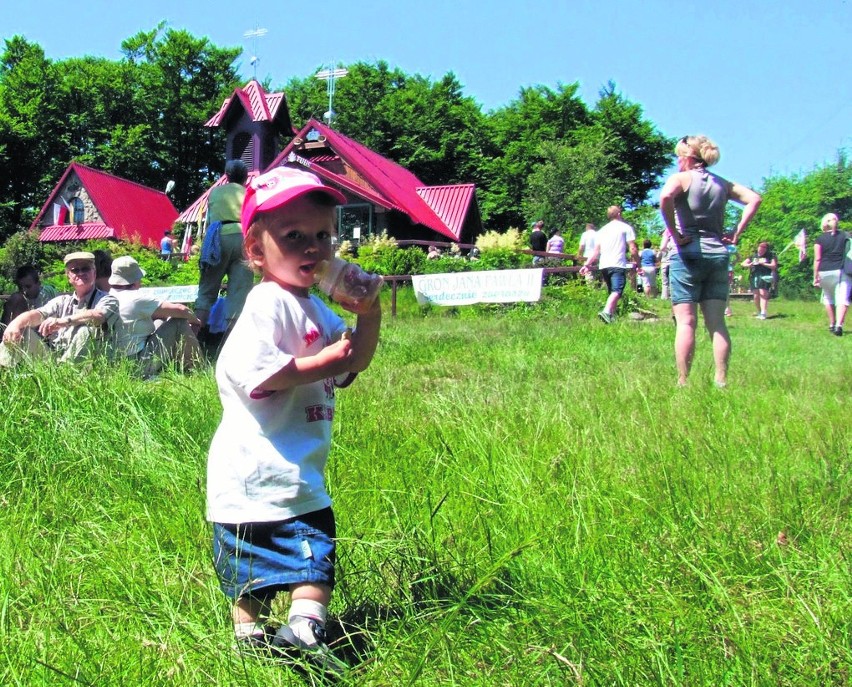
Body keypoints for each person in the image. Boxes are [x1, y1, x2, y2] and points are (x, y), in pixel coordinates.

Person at [206, 167, 381, 672]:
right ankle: (261, 635)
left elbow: (356, 362)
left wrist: (368, 316)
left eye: (324, 235)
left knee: (309, 552)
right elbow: (257, 375)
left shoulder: (318, 312)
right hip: (255, 468)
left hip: (295, 468)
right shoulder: (266, 302)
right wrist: (326, 362)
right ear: (257, 252)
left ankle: (295, 629)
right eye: (295, 236)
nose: (315, 248)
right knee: (256, 568)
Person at [659, 134, 761, 387]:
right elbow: (754, 199)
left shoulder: (680, 179)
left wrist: (674, 233)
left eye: (677, 156)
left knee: (686, 322)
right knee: (717, 323)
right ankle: (721, 379)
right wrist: (736, 232)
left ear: (686, 157)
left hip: (687, 254)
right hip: (717, 254)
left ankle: (683, 381)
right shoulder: (722, 183)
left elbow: (665, 198)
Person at [0, 251, 119, 367]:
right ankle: (4, 377)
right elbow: (36, 314)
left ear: (94, 273)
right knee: (20, 330)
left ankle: (65, 375)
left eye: (85, 268)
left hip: (88, 365)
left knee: (86, 330)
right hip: (53, 359)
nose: (80, 273)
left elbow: (97, 316)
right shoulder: (62, 301)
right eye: (75, 270)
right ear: (68, 276)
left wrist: (61, 322)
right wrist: (14, 325)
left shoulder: (108, 299)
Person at [108, 255, 202, 376]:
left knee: (160, 320)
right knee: (179, 322)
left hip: (115, 365)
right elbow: (181, 310)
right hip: (137, 365)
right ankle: (197, 368)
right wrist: (196, 321)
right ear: (136, 279)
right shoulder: (137, 299)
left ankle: (177, 362)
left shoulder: (107, 296)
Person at [195, 159, 254, 335]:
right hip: (244, 239)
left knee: (207, 289)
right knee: (239, 293)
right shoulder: (250, 193)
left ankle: (192, 337)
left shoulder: (215, 192)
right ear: (245, 178)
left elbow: (210, 218)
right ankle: (231, 343)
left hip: (218, 238)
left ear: (227, 176)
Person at [580, 206, 639, 323]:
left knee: (612, 290)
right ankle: (606, 312)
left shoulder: (602, 230)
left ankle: (611, 316)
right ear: (618, 214)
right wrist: (638, 263)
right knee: (617, 290)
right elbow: (633, 248)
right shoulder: (625, 227)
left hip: (604, 265)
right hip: (617, 264)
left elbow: (595, 252)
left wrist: (586, 264)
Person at [813, 212, 850, 336]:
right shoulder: (845, 235)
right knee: (842, 298)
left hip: (824, 271)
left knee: (828, 297)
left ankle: (832, 323)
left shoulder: (819, 238)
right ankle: (839, 325)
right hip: (840, 271)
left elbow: (817, 259)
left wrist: (815, 276)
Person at [742, 241, 776, 319]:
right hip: (754, 276)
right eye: (760, 246)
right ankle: (760, 311)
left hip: (765, 276)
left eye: (764, 247)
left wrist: (763, 263)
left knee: (763, 293)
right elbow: (743, 264)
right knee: (756, 296)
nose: (761, 248)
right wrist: (750, 265)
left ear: (766, 249)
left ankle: (763, 312)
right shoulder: (753, 256)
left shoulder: (770, 256)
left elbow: (774, 266)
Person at [724, 242, 739, 316]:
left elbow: (738, 257)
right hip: (716, 269)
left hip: (728, 270)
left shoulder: (731, 247)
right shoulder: (715, 243)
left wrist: (733, 263)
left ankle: (727, 308)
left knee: (726, 289)